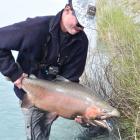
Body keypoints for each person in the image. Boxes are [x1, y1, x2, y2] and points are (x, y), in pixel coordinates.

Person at [0, 0, 107, 140]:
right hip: (33, 93)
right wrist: (14, 74)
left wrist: (73, 112)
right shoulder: (35, 28)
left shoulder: (81, 42)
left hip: (61, 96)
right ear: (67, 9)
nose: (82, 27)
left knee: (99, 124)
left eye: (85, 24)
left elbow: (71, 80)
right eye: (80, 22)